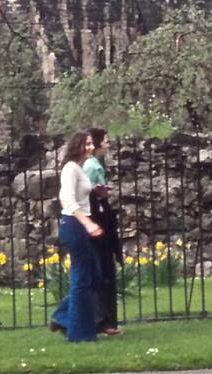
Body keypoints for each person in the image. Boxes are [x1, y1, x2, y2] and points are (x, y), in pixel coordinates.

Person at [48, 130, 102, 343]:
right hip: (75, 225)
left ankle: (63, 317)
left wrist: (96, 191)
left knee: (94, 277)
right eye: (86, 144)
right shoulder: (70, 168)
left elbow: (78, 195)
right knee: (82, 279)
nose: (91, 147)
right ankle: (79, 333)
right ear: (76, 145)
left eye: (91, 144)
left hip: (79, 224)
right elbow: (66, 200)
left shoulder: (79, 168)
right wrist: (87, 223)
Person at [85, 127, 122, 336]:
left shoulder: (95, 164)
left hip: (99, 218)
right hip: (98, 220)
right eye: (105, 141)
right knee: (102, 272)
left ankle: (105, 321)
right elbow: (89, 194)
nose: (108, 145)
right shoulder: (92, 166)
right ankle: (104, 321)